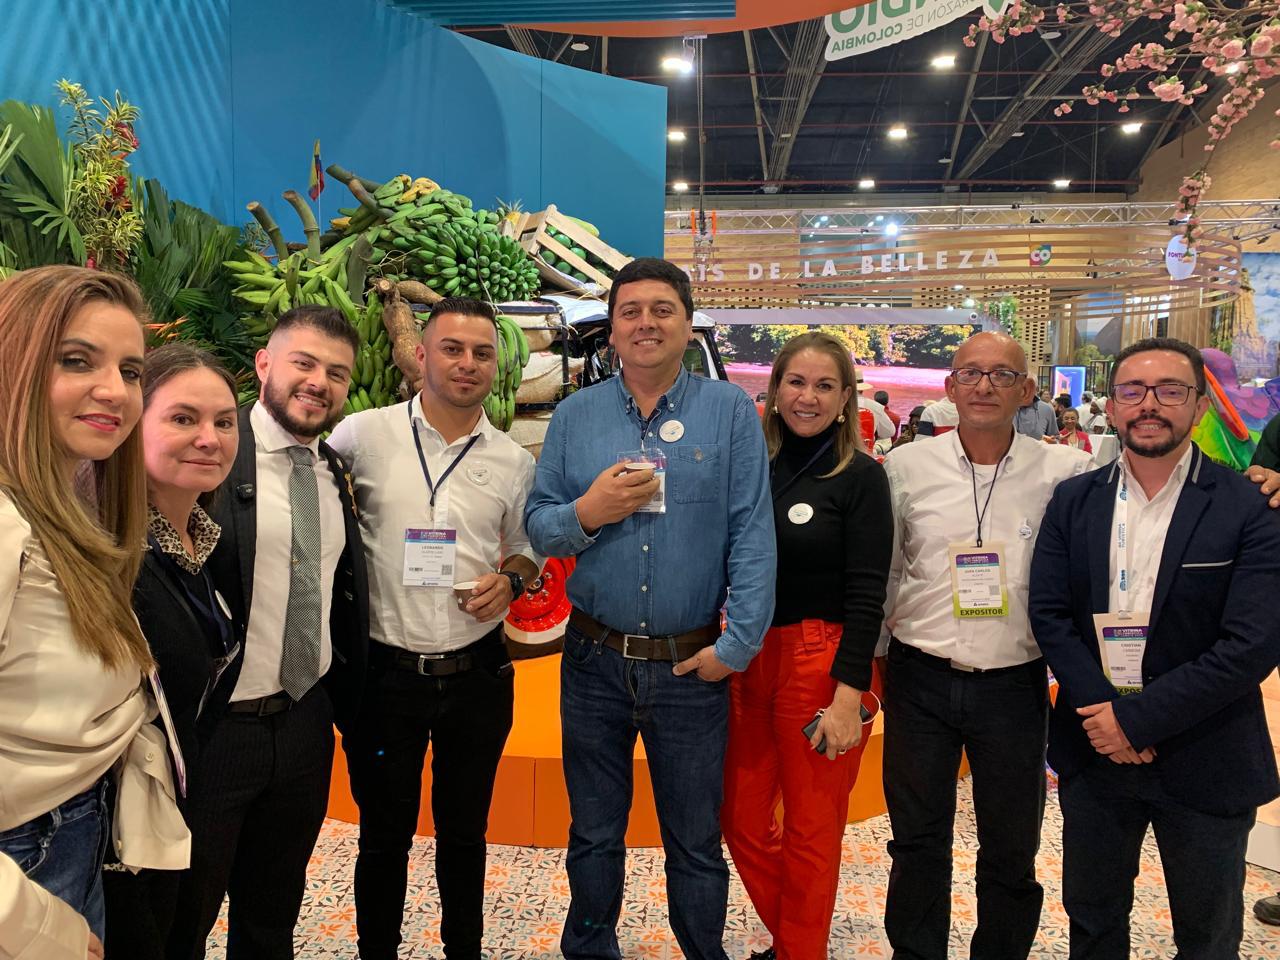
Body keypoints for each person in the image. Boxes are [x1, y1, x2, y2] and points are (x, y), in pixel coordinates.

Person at [525, 257, 776, 960]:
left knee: (694, 841)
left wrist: (737, 647)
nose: (645, 323)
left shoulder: (728, 412)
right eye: (629, 311)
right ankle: (590, 950)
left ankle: (703, 952)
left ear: (687, 325)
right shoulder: (575, 416)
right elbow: (541, 526)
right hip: (592, 663)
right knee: (593, 834)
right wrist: (588, 511)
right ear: (611, 329)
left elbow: (753, 534)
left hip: (690, 667)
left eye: (662, 309)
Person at [1029, 337, 1280, 959]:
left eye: (1170, 391)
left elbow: (1253, 642)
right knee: (1092, 923)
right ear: (1112, 405)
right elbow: (1050, 615)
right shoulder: (1074, 500)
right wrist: (1106, 715)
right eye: (1133, 391)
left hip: (1206, 750)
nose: (1150, 405)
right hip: (1096, 750)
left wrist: (1136, 720)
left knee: (1207, 937)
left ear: (1199, 406)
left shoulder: (1249, 505)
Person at [327, 297, 540, 960]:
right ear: (421, 354)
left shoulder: (512, 460)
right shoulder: (361, 435)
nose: (467, 363)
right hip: (384, 681)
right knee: (382, 837)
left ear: (495, 365)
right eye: (452, 348)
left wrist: (510, 580)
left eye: (482, 352)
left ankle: (462, 950)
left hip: (476, 678)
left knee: (465, 835)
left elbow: (526, 549)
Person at [880, 331, 1093, 960]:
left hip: (1014, 684)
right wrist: (877, 659)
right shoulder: (907, 467)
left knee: (1010, 845)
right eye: (971, 373)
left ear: (1026, 391)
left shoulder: (1065, 472)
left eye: (1002, 375)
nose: (984, 386)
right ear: (949, 387)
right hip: (920, 678)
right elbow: (887, 571)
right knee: (917, 840)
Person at [169, 306, 369, 960]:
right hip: (216, 733)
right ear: (264, 365)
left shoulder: (333, 470)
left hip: (303, 725)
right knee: (183, 918)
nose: (319, 382)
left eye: (336, 373)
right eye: (303, 363)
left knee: (272, 913)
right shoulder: (211, 456)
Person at [0, 266, 188, 959]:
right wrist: (31, 923)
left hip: (71, 835)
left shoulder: (67, 511)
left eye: (131, 371)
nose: (115, 390)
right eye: (76, 361)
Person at [721, 332, 892, 960]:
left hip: (822, 662)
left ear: (846, 399)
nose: (808, 397)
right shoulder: (751, 469)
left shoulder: (861, 478)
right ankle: (798, 941)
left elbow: (868, 594)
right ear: (773, 391)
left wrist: (849, 697)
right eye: (796, 382)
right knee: (740, 819)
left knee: (812, 832)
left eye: (825, 386)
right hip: (749, 653)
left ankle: (798, 951)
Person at [102, 343, 241, 960]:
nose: (209, 439)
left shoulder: (201, 542)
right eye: (183, 418)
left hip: (180, 811)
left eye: (224, 421)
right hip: (117, 839)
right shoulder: (111, 555)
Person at [854, 369, 894, 440]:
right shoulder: (875, 407)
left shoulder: (837, 404)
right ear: (862, 389)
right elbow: (890, 432)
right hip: (865, 445)